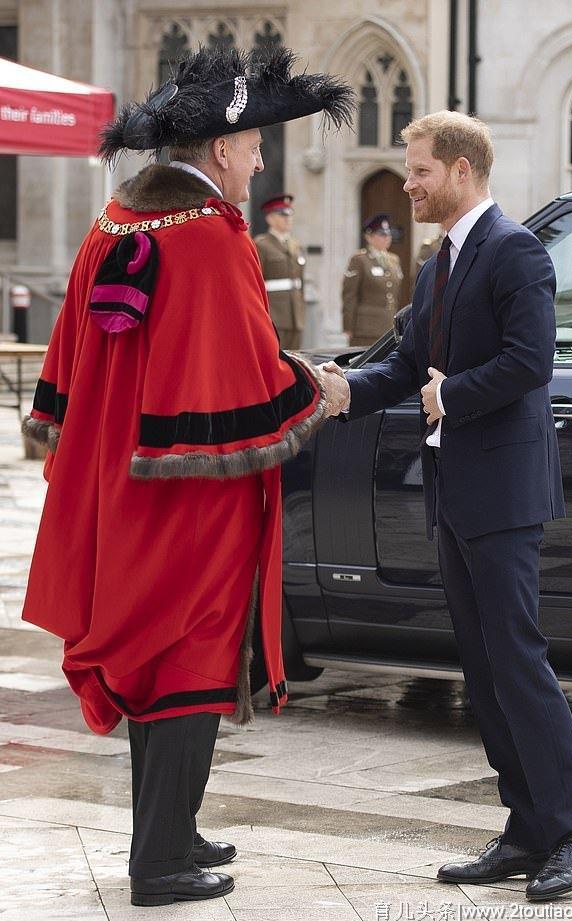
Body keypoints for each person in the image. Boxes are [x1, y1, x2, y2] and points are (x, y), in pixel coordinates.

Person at [21, 46, 354, 908]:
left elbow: (64, 369)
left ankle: (173, 827)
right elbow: (244, 378)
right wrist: (317, 386)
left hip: (114, 490)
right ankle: (160, 862)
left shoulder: (113, 223)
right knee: (185, 661)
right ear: (217, 151)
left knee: (150, 655)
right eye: (252, 147)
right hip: (187, 500)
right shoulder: (207, 238)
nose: (259, 160)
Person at [321, 110, 572, 902]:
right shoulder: (436, 263)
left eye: (417, 170)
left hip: (504, 491)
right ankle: (524, 828)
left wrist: (452, 396)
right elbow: (411, 362)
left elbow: (530, 360)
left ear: (460, 170)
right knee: (481, 670)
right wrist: (343, 389)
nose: (407, 182)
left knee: (517, 660)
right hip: (454, 490)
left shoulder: (512, 250)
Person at [342, 212, 404, 346]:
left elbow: (395, 295)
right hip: (365, 329)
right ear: (369, 236)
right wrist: (348, 326)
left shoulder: (394, 260)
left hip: (388, 326)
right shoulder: (360, 260)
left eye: (388, 233)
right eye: (382, 234)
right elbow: (349, 295)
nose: (387, 237)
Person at [254, 194, 307, 349]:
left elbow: (300, 282)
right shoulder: (261, 245)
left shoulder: (296, 245)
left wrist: (300, 310)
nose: (288, 219)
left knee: (296, 360)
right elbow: (256, 282)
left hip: (295, 315)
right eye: (282, 215)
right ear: (270, 219)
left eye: (290, 215)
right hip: (275, 314)